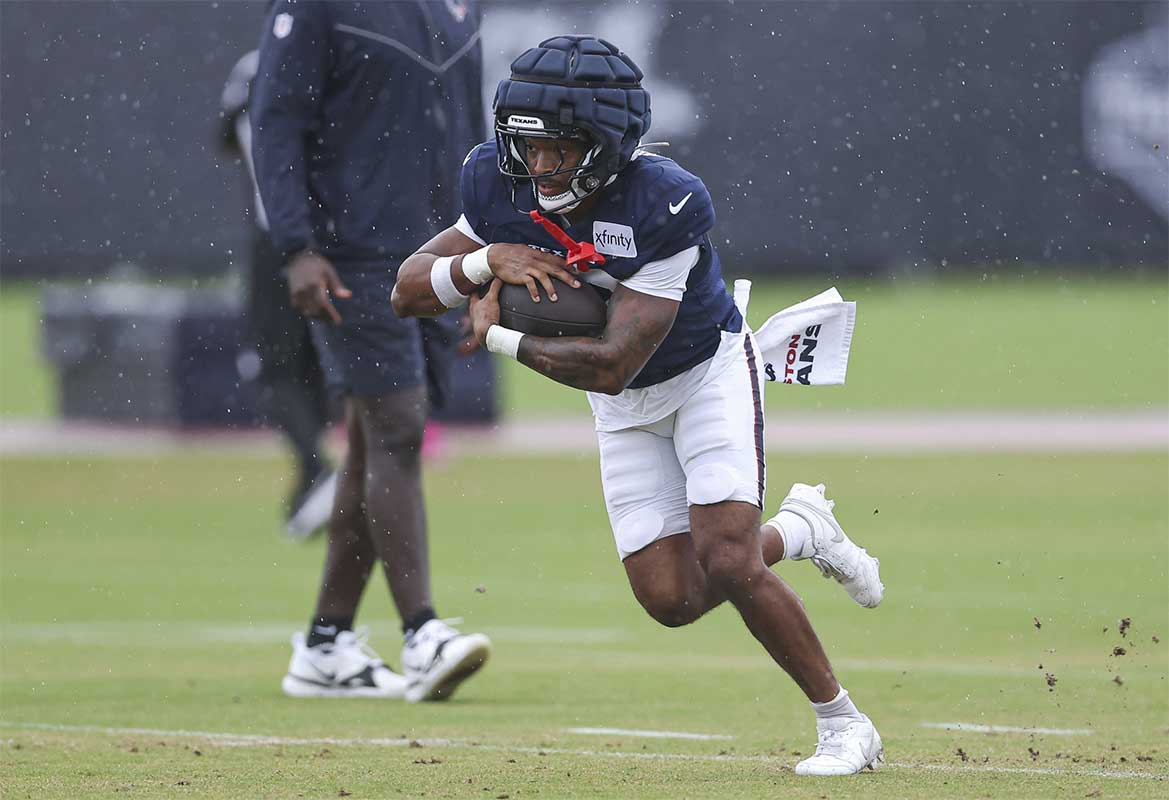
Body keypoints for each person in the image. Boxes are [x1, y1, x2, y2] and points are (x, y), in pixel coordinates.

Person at [391, 35, 886, 775]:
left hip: (700, 375)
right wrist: (480, 261)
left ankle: (843, 725)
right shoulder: (494, 183)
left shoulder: (665, 199)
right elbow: (404, 289)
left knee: (726, 559)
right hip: (624, 409)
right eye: (527, 147)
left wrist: (495, 336)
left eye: (558, 150)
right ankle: (803, 528)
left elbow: (613, 365)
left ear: (604, 144)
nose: (537, 166)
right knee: (671, 599)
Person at [249, 0, 490, 702]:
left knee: (370, 441)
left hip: (439, 251)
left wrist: (483, 253)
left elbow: (474, 136)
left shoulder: (458, 6)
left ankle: (326, 644)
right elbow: (275, 120)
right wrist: (294, 247)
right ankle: (422, 634)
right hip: (350, 253)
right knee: (397, 426)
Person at [218, 49, 337, 540]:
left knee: (275, 369)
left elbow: (234, 139)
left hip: (282, 243)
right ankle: (314, 478)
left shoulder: (255, 66)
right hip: (337, 236)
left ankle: (319, 472)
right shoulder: (337, 62)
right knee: (318, 366)